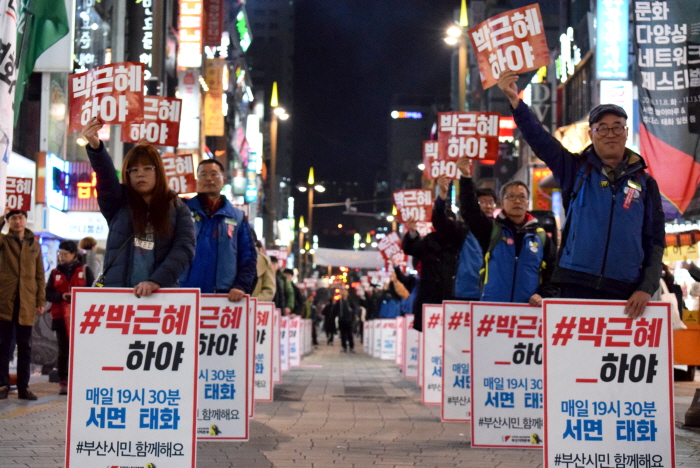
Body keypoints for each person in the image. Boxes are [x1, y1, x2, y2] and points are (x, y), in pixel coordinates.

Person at [497, 69, 665, 317]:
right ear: (591, 134)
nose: (610, 134)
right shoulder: (575, 169)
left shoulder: (645, 183)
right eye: (602, 128)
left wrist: (646, 288)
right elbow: (541, 140)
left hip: (626, 292)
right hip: (574, 284)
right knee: (574, 355)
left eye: (617, 127)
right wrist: (515, 102)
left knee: (614, 356)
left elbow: (655, 242)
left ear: (626, 132)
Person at [82, 118, 196, 296]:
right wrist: (96, 146)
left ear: (158, 171)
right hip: (118, 298)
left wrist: (155, 282)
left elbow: (184, 250)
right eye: (133, 170)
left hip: (160, 297)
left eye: (147, 168)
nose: (140, 174)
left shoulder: (178, 209)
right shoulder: (118, 203)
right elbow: (106, 176)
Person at [459, 169, 558, 305]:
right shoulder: (491, 230)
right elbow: (469, 210)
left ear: (528, 202)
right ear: (502, 203)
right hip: (492, 310)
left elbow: (553, 272)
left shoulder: (541, 237)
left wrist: (544, 296)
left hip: (529, 312)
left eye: (522, 197)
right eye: (511, 196)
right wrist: (465, 177)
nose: (517, 201)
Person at [179, 159, 257, 300]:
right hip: (183, 293)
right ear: (197, 180)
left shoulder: (238, 217)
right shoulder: (181, 210)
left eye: (214, 174)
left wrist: (240, 286)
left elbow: (248, 257)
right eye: (203, 175)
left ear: (224, 180)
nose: (209, 179)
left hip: (223, 297)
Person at [0, 209, 45, 400]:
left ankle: (23, 387)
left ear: (26, 220)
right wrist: (1, 217)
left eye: (20, 218)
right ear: (8, 222)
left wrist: (40, 301)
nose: (17, 221)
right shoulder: (3, 242)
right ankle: (2, 385)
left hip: (26, 303)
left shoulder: (34, 245)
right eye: (13, 219)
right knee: (2, 346)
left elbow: (40, 276)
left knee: (25, 346)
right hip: (5, 302)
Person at [402, 195, 465, 332]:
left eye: (450, 222)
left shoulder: (461, 242)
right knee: (429, 341)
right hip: (430, 296)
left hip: (454, 297)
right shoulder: (429, 240)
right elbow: (411, 249)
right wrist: (412, 232)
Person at [45, 240, 95, 395]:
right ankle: (64, 382)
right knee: (63, 350)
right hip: (60, 317)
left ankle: (82, 380)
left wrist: (79, 297)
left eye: (65, 254)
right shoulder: (55, 273)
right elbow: (48, 294)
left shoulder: (85, 270)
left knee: (81, 350)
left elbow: (94, 289)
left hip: (82, 318)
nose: (61, 257)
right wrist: (62, 296)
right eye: (60, 254)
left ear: (74, 254)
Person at [332, 287, 355, 353]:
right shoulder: (339, 301)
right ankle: (344, 347)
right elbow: (335, 310)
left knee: (350, 334)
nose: (344, 293)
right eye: (343, 292)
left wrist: (352, 311)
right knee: (343, 335)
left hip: (349, 320)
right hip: (342, 320)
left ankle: (351, 347)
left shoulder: (350, 301)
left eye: (345, 292)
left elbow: (354, 309)